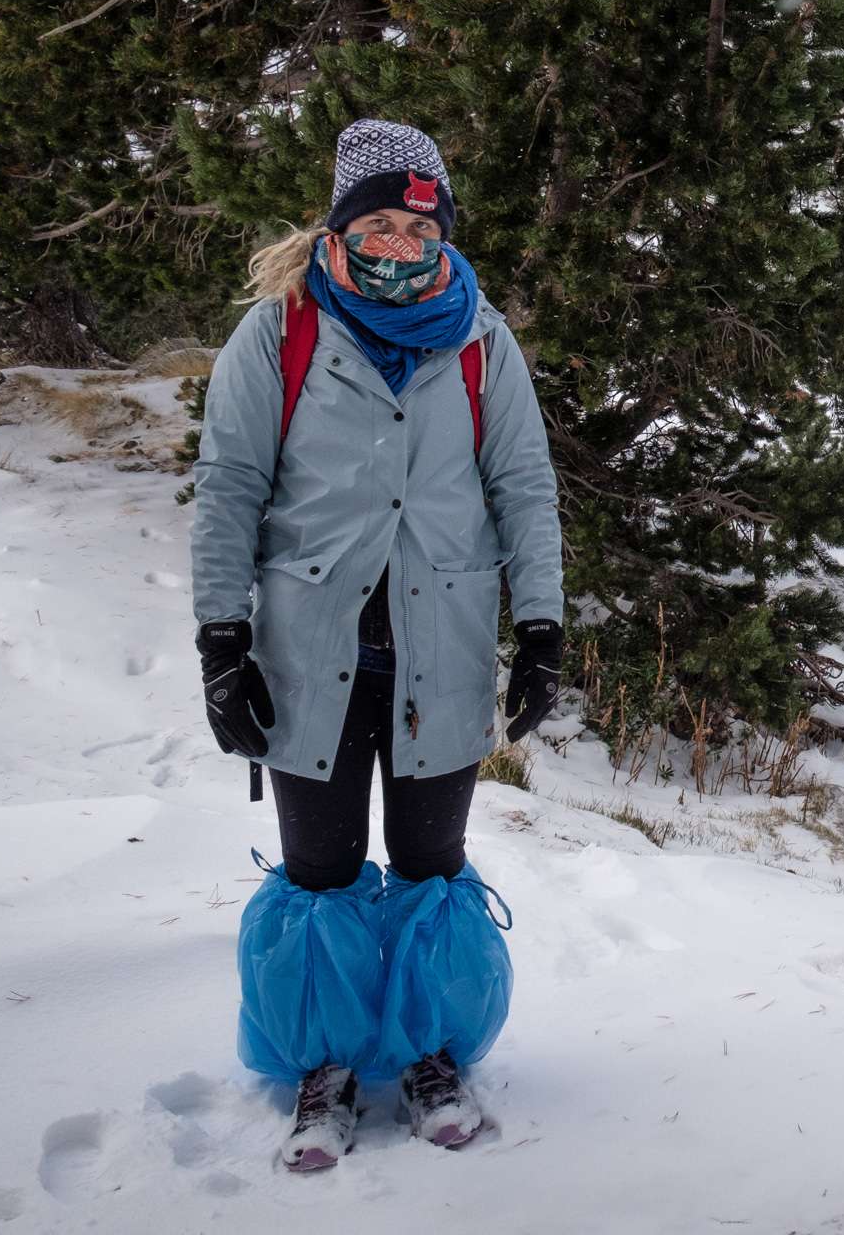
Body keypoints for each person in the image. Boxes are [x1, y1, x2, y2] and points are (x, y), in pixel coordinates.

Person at [187, 118, 565, 1171]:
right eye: (381, 224)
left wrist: (542, 627)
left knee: (430, 861)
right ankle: (327, 1065)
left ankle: (433, 1052)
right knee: (320, 868)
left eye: (419, 223)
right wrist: (223, 640)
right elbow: (228, 491)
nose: (402, 243)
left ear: (441, 229)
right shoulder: (281, 334)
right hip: (310, 649)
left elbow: (524, 488)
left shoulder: (483, 340)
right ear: (342, 226)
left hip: (439, 645)